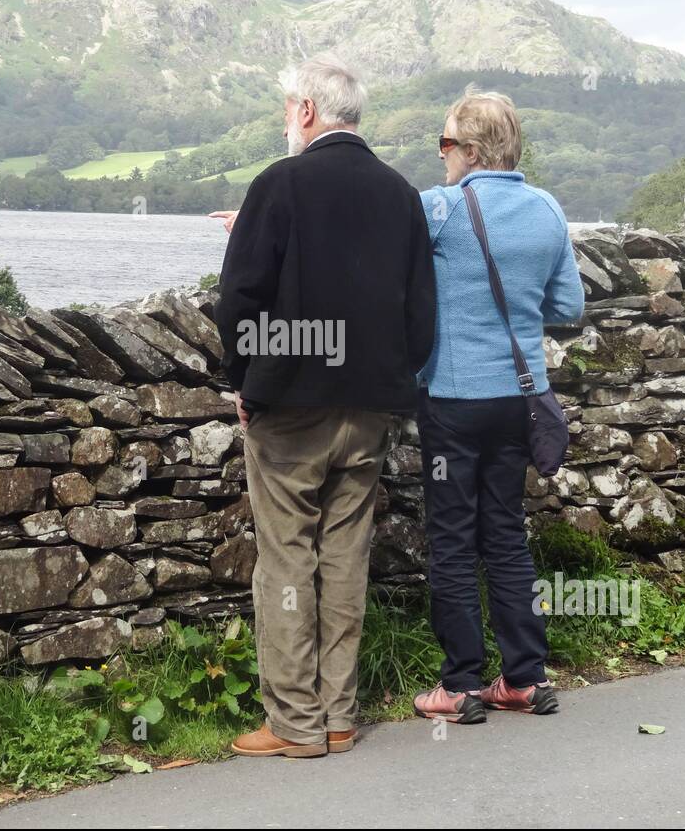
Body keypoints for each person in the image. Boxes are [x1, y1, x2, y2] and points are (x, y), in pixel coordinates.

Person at [216, 54, 435, 758]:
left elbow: (240, 300)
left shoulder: (279, 183)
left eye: (287, 107)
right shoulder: (402, 194)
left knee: (285, 559)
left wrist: (247, 385)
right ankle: (339, 715)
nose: (286, 118)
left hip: (292, 406)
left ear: (306, 111)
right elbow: (421, 315)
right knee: (346, 555)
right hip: (372, 406)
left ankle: (294, 723)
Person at [411, 89, 584, 724]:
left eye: (446, 144)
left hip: (452, 401)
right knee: (506, 534)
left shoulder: (440, 208)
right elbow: (568, 307)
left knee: (453, 539)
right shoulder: (547, 208)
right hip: (519, 397)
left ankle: (459, 686)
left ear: (473, 150)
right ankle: (523, 679)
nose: (441, 156)